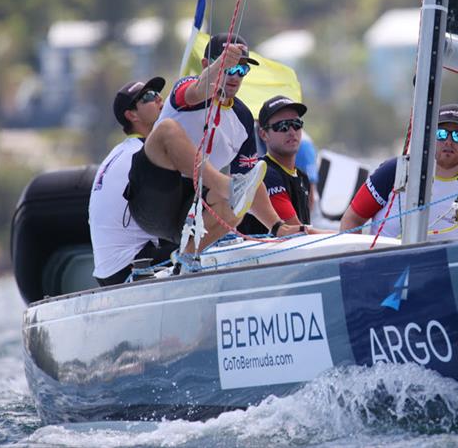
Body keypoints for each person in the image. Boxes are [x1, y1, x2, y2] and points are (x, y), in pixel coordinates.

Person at [124, 33, 300, 252]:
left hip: (186, 211)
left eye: (241, 69)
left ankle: (187, 257)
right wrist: (219, 66)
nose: (234, 75)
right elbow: (199, 90)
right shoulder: (188, 88)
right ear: (207, 64)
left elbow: (251, 181)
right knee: (166, 129)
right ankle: (226, 187)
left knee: (242, 194)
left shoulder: (243, 118)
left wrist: (277, 227)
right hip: (149, 197)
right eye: (228, 67)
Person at [340, 104, 458, 239]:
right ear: (429, 137)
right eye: (441, 134)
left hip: (435, 272)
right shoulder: (394, 171)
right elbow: (352, 220)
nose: (449, 141)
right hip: (382, 269)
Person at [89, 77, 176, 286]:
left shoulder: (122, 151)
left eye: (157, 94)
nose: (158, 99)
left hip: (110, 271)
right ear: (132, 115)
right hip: (131, 268)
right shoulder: (144, 154)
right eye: (148, 97)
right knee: (214, 243)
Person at [238, 95, 322, 234]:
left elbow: (304, 230)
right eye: (282, 126)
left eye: (296, 124)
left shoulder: (302, 176)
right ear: (264, 134)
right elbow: (295, 231)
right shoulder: (264, 173)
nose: (291, 132)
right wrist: (345, 237)